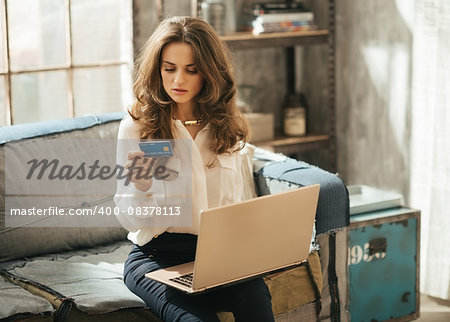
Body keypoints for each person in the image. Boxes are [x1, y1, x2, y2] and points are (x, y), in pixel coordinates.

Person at [114, 16, 275, 322]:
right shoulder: (137, 128)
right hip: (156, 258)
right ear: (157, 69)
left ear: (209, 73)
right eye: (169, 68)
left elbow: (237, 204)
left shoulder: (226, 126)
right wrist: (141, 184)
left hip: (219, 256)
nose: (178, 81)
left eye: (192, 70)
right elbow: (128, 219)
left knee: (256, 298)